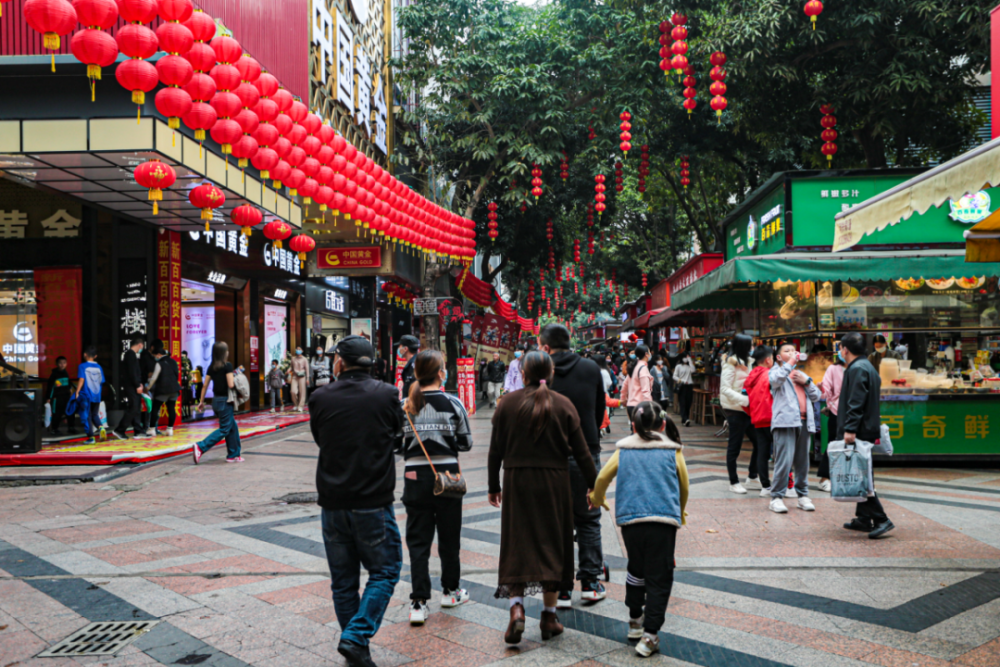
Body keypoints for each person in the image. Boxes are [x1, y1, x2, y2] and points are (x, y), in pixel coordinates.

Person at [488, 351, 598, 644]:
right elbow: (584, 452)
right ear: (551, 375)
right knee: (554, 543)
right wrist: (594, 487)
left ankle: (516, 610)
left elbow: (495, 451)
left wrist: (492, 486)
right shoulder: (563, 405)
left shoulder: (507, 404)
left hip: (517, 481)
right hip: (554, 483)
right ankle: (549, 617)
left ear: (522, 374)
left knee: (517, 542)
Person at [309, 335, 404, 667]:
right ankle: (356, 636)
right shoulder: (387, 394)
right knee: (386, 569)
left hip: (333, 503)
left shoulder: (320, 396)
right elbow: (397, 436)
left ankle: (356, 651)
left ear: (339, 361)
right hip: (373, 501)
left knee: (344, 582)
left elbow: (321, 438)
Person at [589, 402, 689, 658]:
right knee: (659, 577)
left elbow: (602, 479)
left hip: (631, 521)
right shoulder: (673, 450)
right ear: (663, 424)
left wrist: (599, 499)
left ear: (633, 425)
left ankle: (634, 620)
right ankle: (650, 635)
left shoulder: (624, 449)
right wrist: (681, 511)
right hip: (663, 521)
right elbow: (684, 485)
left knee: (636, 568)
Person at [400, 350, 473, 625]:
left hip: (414, 478)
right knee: (449, 538)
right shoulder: (453, 404)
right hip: (448, 478)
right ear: (441, 373)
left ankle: (418, 603)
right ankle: (450, 591)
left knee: (418, 541)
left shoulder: (404, 405)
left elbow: (396, 445)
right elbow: (466, 443)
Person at [538, 324, 607, 608]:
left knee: (558, 522)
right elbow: (601, 409)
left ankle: (563, 589)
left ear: (545, 347)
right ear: (570, 343)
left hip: (550, 456)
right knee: (589, 518)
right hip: (586, 453)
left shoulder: (540, 372)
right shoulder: (591, 369)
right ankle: (590, 582)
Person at [838, 332, 894, 538]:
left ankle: (881, 519)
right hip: (866, 427)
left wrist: (850, 428)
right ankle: (863, 518)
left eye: (841, 348)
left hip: (860, 430)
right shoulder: (867, 366)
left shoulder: (858, 368)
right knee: (862, 473)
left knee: (861, 477)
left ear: (845, 349)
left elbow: (857, 401)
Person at [768, 344, 821, 514]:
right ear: (778, 357)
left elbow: (817, 396)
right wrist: (790, 363)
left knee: (802, 462)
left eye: (793, 350)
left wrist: (807, 382)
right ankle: (776, 497)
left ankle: (803, 496)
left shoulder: (800, 374)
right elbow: (775, 381)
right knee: (784, 461)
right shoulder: (776, 372)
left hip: (804, 422)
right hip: (785, 422)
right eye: (787, 351)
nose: (792, 353)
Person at [719, 334, 761, 495]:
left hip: (748, 409)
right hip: (735, 409)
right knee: (734, 446)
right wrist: (745, 400)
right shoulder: (730, 363)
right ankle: (734, 482)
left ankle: (752, 476)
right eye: (750, 345)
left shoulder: (748, 362)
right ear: (743, 346)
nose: (753, 347)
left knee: (759, 442)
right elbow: (725, 388)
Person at [193, 342, 242, 463]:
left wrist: (201, 402)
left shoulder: (211, 367)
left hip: (215, 401)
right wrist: (239, 379)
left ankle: (233, 455)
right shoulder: (228, 366)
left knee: (232, 427)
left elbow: (205, 386)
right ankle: (201, 446)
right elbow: (231, 384)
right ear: (225, 353)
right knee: (225, 429)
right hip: (225, 401)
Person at [744, 346, 775, 498]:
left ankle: (765, 486)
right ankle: (787, 486)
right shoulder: (771, 374)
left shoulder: (751, 376)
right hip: (773, 418)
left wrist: (753, 413)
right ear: (768, 360)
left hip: (757, 419)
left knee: (762, 453)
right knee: (781, 452)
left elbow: (745, 401)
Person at [818, 354, 845, 493]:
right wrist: (820, 389)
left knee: (856, 446)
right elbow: (824, 392)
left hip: (857, 412)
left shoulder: (861, 367)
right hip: (836, 412)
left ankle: (853, 478)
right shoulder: (834, 369)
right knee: (833, 444)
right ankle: (825, 478)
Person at [115, 336, 148, 440]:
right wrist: (138, 385)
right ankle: (120, 430)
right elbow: (132, 372)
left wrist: (140, 383)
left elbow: (135, 372)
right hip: (131, 386)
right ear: (140, 345)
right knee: (133, 408)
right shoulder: (130, 354)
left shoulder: (131, 355)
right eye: (142, 346)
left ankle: (138, 431)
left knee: (137, 408)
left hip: (134, 385)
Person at [74, 346, 106, 444]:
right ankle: (100, 428)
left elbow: (81, 379)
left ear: (85, 354)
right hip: (97, 394)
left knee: (87, 415)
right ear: (95, 356)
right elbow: (102, 381)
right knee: (95, 414)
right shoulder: (99, 367)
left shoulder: (82, 366)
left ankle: (91, 437)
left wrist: (77, 391)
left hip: (86, 395)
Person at [148, 346, 181, 437]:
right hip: (174, 389)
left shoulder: (159, 363)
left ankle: (151, 429)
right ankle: (169, 429)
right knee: (171, 408)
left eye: (155, 355)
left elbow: (154, 378)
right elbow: (176, 374)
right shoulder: (173, 362)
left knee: (155, 408)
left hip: (163, 389)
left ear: (158, 355)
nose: (155, 357)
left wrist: (148, 387)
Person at [45, 355, 75, 435]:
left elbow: (68, 385)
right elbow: (50, 387)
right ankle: (54, 429)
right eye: (60, 363)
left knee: (70, 412)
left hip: (66, 397)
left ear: (66, 364)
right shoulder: (54, 374)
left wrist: (71, 394)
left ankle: (71, 427)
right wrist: (48, 398)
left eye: (64, 363)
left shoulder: (65, 373)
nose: (62, 364)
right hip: (57, 398)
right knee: (57, 413)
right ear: (57, 364)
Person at [672, 351, 695, 427]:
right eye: (685, 357)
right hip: (682, 386)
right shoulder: (678, 366)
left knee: (689, 402)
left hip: (689, 386)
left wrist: (690, 360)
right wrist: (681, 380)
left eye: (687, 357)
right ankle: (685, 418)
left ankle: (685, 419)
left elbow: (693, 370)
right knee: (682, 403)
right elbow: (674, 376)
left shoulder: (689, 366)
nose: (686, 358)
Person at [288, 346, 311, 412]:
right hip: (295, 376)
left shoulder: (304, 359)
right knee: (293, 391)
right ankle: (296, 404)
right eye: (297, 349)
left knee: (302, 392)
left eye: (299, 349)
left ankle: (300, 406)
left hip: (302, 377)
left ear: (302, 351)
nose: (298, 350)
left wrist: (307, 378)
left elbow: (307, 369)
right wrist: (288, 370)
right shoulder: (293, 358)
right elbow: (291, 367)